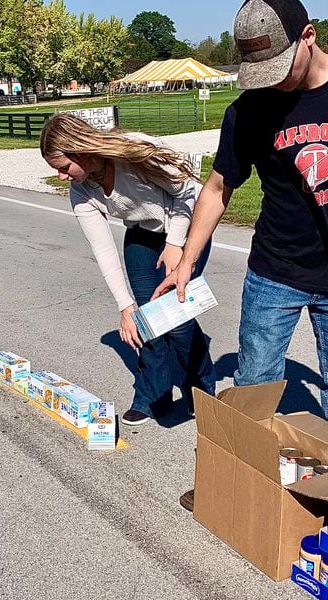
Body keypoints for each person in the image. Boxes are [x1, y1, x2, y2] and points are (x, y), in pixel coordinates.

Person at [153, 0, 328, 441]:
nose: (275, 83)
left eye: (281, 68)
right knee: (254, 387)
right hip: (274, 273)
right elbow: (217, 187)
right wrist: (187, 259)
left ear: (309, 36)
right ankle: (237, 492)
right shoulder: (248, 110)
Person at [39, 113, 216, 426]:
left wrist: (175, 244)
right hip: (143, 234)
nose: (62, 176)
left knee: (175, 319)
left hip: (187, 229)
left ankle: (200, 387)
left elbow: (190, 191)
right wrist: (125, 308)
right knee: (147, 319)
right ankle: (153, 395)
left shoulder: (135, 151)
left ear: (80, 151)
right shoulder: (81, 190)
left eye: (64, 168)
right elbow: (103, 249)